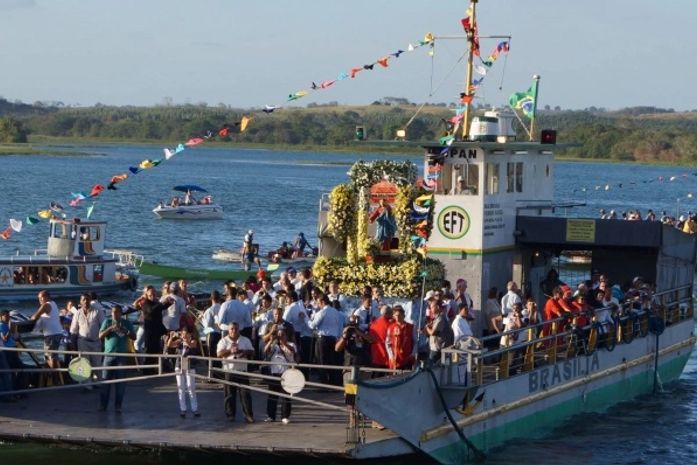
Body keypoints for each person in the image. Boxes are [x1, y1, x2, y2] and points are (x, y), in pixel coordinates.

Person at [98, 304, 136, 413]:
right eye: (113, 312)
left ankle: (118, 406)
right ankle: (103, 405)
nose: (114, 314)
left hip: (122, 356)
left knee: (120, 383)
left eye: (117, 312)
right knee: (105, 381)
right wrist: (110, 329)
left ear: (121, 313)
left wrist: (125, 331)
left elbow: (134, 337)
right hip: (108, 355)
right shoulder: (107, 322)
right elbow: (100, 336)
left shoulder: (126, 323)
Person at [217, 322, 255, 423]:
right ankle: (230, 415)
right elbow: (219, 354)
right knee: (229, 394)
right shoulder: (223, 341)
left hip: (242, 371)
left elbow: (252, 351)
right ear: (228, 330)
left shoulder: (245, 340)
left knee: (245, 395)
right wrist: (230, 351)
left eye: (236, 329)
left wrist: (243, 352)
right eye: (232, 329)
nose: (234, 331)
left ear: (239, 330)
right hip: (229, 370)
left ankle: (248, 415)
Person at [263, 327, 298, 424]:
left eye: (282, 335)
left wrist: (284, 343)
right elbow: (265, 351)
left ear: (286, 336)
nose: (280, 337)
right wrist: (271, 341)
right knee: (272, 396)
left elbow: (293, 351)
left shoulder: (291, 344)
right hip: (274, 373)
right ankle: (271, 416)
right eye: (279, 335)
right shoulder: (275, 345)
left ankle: (285, 416)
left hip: (286, 373)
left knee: (286, 397)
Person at [164, 326, 200, 417]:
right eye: (182, 333)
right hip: (179, 366)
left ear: (190, 334)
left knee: (191, 387)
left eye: (185, 333)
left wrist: (185, 340)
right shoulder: (179, 342)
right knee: (181, 388)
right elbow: (169, 345)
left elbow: (192, 346)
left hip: (190, 366)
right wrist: (171, 337)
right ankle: (182, 409)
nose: (183, 335)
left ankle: (194, 408)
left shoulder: (193, 341)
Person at [307, 294, 343, 385]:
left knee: (321, 362)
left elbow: (312, 326)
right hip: (334, 339)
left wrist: (305, 318)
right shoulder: (336, 312)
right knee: (332, 362)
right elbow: (340, 327)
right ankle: (333, 383)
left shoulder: (322, 312)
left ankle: (323, 384)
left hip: (323, 340)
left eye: (319, 303)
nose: (318, 305)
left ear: (323, 302)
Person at [70, 292, 105, 381]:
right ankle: (87, 385)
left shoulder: (98, 311)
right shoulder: (77, 313)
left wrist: (104, 342)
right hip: (82, 342)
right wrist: (73, 346)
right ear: (80, 302)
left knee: (97, 364)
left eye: (87, 299)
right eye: (83, 300)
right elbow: (73, 331)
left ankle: (100, 383)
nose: (86, 301)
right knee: (84, 365)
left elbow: (103, 326)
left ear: (90, 300)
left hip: (96, 341)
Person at [30, 290, 63, 369]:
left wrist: (30, 318)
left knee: (49, 356)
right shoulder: (54, 303)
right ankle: (58, 375)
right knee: (54, 355)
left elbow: (35, 317)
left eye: (40, 298)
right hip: (58, 332)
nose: (39, 300)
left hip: (51, 335)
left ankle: (54, 374)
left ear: (46, 297)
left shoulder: (46, 305)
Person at [385, 306, 415, 370]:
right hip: (396, 358)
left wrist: (412, 354)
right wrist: (391, 356)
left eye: (399, 315)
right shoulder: (391, 327)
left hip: (407, 358)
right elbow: (388, 344)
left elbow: (415, 342)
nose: (397, 317)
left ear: (403, 315)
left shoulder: (411, 327)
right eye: (395, 315)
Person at [369, 304, 393, 368]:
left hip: (375, 354)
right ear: (388, 314)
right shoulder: (391, 324)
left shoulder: (374, 323)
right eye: (391, 313)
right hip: (386, 355)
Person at [201, 290, 223, 358]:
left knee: (212, 355)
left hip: (212, 335)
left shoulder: (209, 310)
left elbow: (207, 326)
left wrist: (202, 319)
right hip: (222, 334)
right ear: (219, 298)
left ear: (211, 299)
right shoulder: (223, 308)